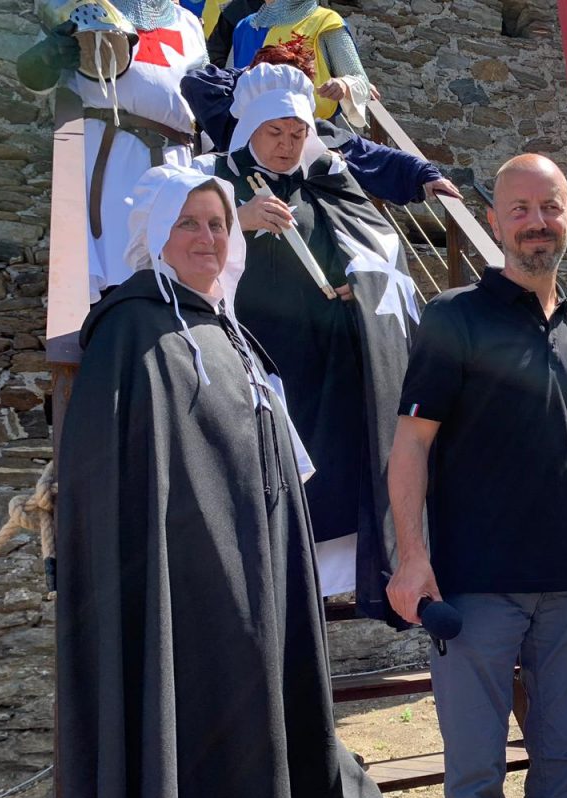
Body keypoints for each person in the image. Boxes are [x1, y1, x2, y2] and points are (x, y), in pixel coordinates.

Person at [55, 164, 344, 798]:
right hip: (178, 601)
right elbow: (117, 487)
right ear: (153, 234)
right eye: (190, 224)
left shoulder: (226, 333)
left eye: (219, 224)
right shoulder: (132, 331)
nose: (209, 239)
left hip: (249, 594)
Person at [386, 153, 567, 798]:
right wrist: (412, 559)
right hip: (475, 589)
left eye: (549, 206)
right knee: (475, 775)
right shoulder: (453, 315)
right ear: (495, 219)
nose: (535, 221)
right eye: (518, 207)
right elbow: (410, 446)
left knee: (565, 767)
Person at [199, 62, 415, 624]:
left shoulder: (329, 174)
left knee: (339, 471)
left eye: (297, 134)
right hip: (252, 354)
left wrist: (358, 280)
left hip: (330, 355)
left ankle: (336, 584)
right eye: (275, 133)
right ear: (249, 129)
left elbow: (380, 247)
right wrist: (236, 220)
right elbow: (156, 247)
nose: (288, 145)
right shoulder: (212, 176)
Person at [16, 0, 206, 301]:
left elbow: (202, 96)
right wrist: (45, 60)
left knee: (174, 281)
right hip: (112, 158)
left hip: (176, 163)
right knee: (116, 278)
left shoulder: (188, 23)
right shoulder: (83, 10)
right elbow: (39, 82)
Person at [180, 38, 462, 205]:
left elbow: (369, 154)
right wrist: (258, 84)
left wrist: (425, 174)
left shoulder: (317, 137)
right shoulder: (226, 122)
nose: (286, 142)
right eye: (275, 131)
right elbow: (196, 82)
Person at [228, 0, 371, 126]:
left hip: (311, 132)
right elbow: (231, 82)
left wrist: (344, 84)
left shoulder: (325, 21)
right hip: (251, 132)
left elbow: (359, 80)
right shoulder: (245, 27)